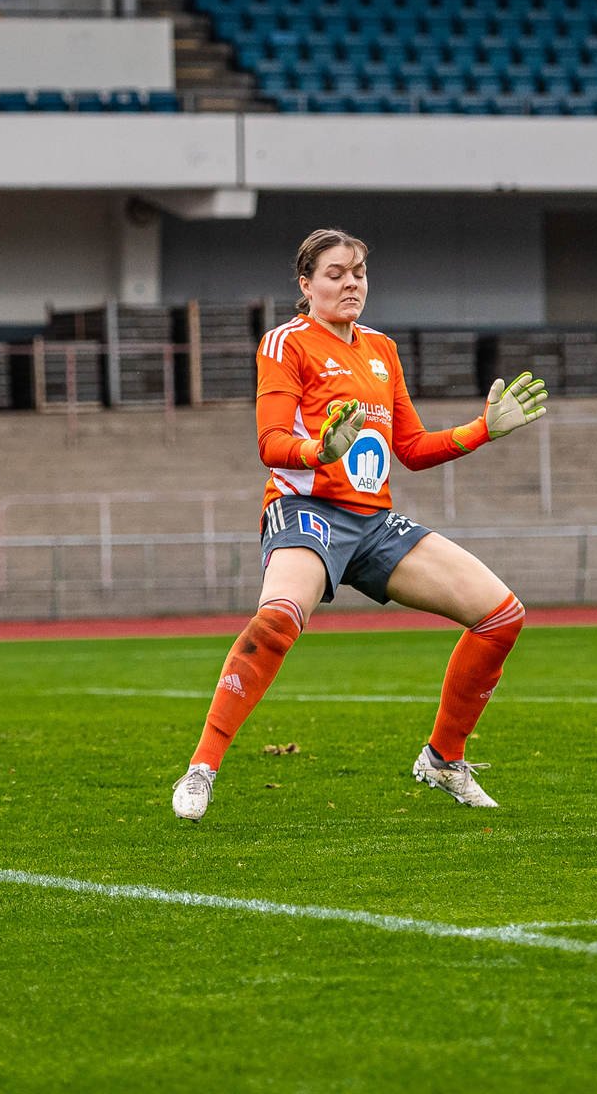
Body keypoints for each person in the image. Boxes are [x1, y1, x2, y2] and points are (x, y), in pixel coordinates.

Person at [170, 228, 549, 820]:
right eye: (336, 273)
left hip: (373, 522)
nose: (351, 283)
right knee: (277, 621)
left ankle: (443, 760)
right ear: (306, 284)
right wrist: (320, 449)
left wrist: (483, 428)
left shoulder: (381, 349)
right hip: (306, 511)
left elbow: (414, 448)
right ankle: (202, 768)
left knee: (501, 616)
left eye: (359, 273)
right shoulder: (285, 343)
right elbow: (271, 442)